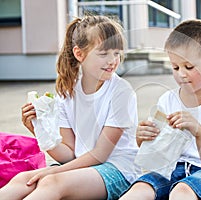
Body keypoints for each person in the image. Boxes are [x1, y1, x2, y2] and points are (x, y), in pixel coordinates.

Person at [0, 15, 140, 200]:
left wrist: (51, 173)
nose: (113, 60)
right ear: (79, 54)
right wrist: (39, 129)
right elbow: (68, 154)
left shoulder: (122, 93)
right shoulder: (67, 92)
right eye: (103, 53)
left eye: (117, 53)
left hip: (120, 170)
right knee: (23, 180)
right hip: (83, 167)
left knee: (50, 182)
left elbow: (100, 155)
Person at [120, 19, 201, 200]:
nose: (181, 74)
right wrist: (143, 139)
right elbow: (158, 154)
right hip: (174, 167)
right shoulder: (168, 100)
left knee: (181, 191)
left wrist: (199, 133)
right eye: (175, 67)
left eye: (189, 67)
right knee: (140, 188)